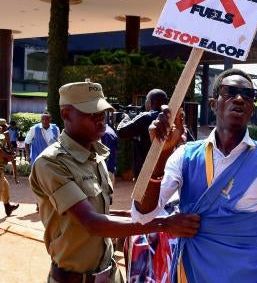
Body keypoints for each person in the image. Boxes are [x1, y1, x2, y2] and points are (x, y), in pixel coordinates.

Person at [133, 69, 257, 282]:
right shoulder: (185, 156)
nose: (239, 99)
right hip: (194, 274)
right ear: (213, 104)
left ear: (252, 108)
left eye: (248, 95)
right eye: (230, 92)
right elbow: (142, 215)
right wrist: (161, 152)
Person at [29, 81, 200, 283]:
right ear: (66, 115)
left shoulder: (96, 156)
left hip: (111, 275)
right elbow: (92, 223)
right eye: (91, 113)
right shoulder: (51, 163)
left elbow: (100, 213)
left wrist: (138, 215)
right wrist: (163, 224)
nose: (100, 119)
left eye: (102, 113)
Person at [117, 89, 168, 179]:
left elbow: (121, 132)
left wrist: (126, 117)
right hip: (167, 170)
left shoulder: (146, 117)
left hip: (146, 172)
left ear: (150, 102)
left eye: (146, 100)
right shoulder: (171, 118)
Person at [0, 120, 19, 217]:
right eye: (4, 127)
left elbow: (4, 150)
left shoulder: (2, 137)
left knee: (5, 187)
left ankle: (8, 208)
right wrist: (9, 156)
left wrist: (9, 153)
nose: (6, 129)